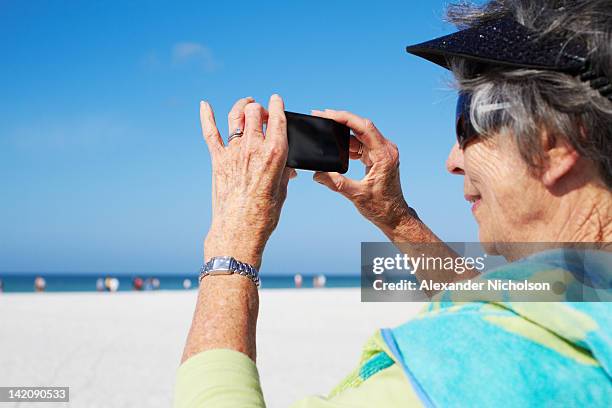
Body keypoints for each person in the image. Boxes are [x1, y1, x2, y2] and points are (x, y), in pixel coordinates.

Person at [175, 1, 611, 406]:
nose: (452, 161)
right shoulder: (585, 303)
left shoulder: (474, 373)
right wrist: (396, 217)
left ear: (552, 145)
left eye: (468, 121)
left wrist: (234, 236)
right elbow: (508, 307)